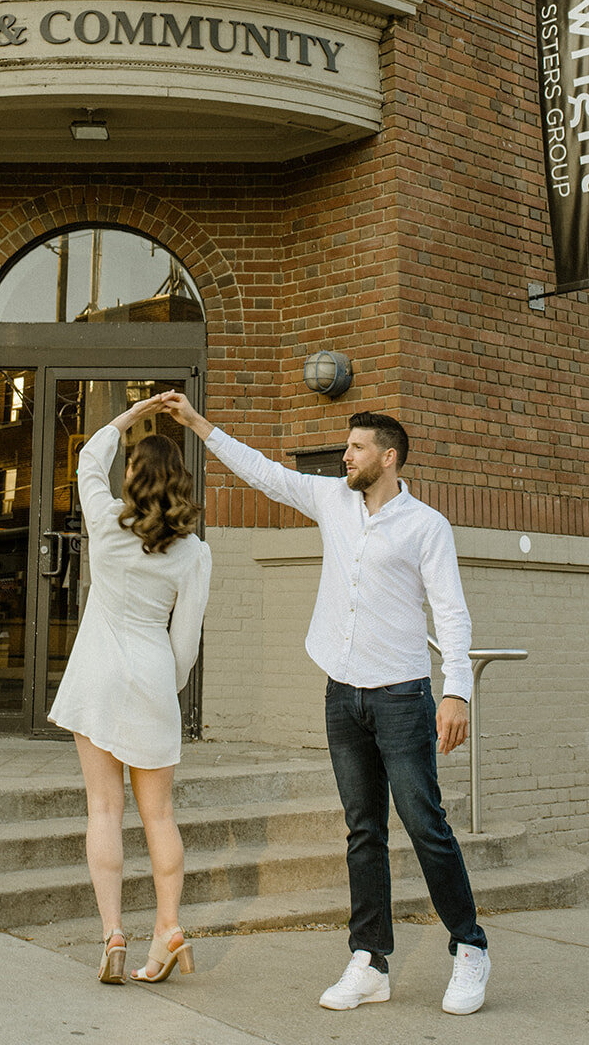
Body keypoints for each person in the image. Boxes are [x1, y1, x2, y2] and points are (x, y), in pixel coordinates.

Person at [160, 394, 491, 1017]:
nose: (346, 456)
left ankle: (469, 947)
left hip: (402, 696)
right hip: (343, 693)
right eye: (347, 447)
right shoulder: (332, 500)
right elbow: (266, 473)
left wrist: (456, 691)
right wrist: (199, 425)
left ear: (387, 458)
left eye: (357, 448)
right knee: (362, 830)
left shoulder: (427, 526)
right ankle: (370, 960)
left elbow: (450, 613)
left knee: (425, 824)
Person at [48, 392, 212, 986]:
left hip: (96, 676)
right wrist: (167, 686)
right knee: (160, 815)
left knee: (103, 810)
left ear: (135, 476)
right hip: (150, 675)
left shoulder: (107, 523)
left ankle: (113, 935)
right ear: (181, 485)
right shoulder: (194, 554)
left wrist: (127, 416)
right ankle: (168, 926)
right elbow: (186, 641)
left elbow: (88, 463)